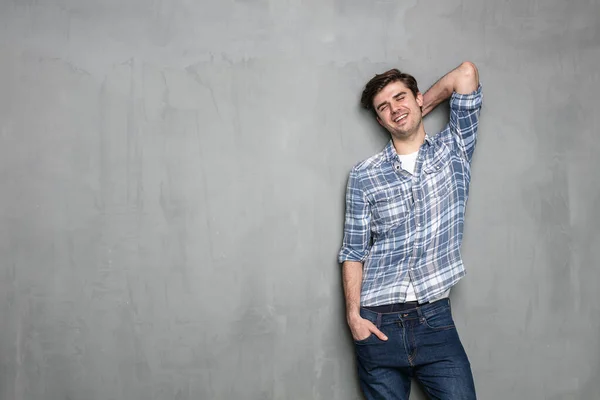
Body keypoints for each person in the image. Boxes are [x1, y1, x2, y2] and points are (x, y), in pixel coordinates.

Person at [337, 61, 482, 399]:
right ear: (378, 120)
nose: (393, 109)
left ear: (419, 98)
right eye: (384, 108)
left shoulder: (454, 150)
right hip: (377, 322)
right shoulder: (364, 175)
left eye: (400, 98)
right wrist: (354, 319)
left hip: (435, 320)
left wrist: (414, 110)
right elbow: (353, 252)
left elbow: (465, 74)